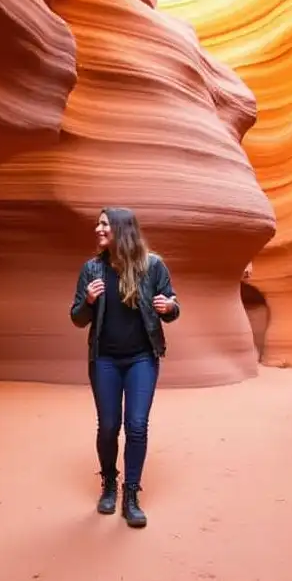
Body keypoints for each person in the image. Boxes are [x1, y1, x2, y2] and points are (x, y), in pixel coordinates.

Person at [69, 207, 180, 528]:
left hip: (142, 359)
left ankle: (131, 494)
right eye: (98, 224)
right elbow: (77, 319)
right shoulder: (91, 270)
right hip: (104, 359)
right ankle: (109, 484)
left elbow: (171, 306)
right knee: (108, 426)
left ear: (121, 229)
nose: (97, 229)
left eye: (104, 224)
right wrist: (87, 302)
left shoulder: (153, 266)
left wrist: (170, 306)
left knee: (137, 425)